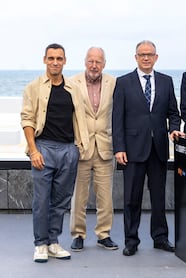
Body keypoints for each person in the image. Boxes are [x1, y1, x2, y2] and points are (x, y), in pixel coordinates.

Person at [112, 40, 185, 256]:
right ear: (135, 57)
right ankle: (131, 241)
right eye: (142, 54)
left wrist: (173, 129)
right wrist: (119, 148)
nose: (146, 58)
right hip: (132, 149)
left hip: (158, 148)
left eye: (150, 54)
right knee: (131, 198)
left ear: (156, 57)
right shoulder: (123, 82)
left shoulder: (166, 81)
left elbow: (173, 112)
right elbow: (117, 119)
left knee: (159, 198)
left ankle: (160, 238)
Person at [20, 43, 89, 263]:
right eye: (51, 58)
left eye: (59, 58)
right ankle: (40, 244)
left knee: (61, 201)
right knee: (42, 200)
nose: (55, 62)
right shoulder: (33, 87)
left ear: (65, 61)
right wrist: (33, 150)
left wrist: (78, 148)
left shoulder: (74, 89)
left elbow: (79, 119)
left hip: (69, 150)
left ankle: (53, 242)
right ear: (44, 60)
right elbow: (27, 119)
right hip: (44, 148)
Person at [69, 47, 118, 252]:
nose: (94, 65)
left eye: (98, 61)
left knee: (105, 196)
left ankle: (104, 234)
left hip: (105, 147)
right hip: (81, 147)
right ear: (85, 62)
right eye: (90, 61)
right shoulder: (72, 83)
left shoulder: (114, 83)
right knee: (78, 196)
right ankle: (78, 234)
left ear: (104, 64)